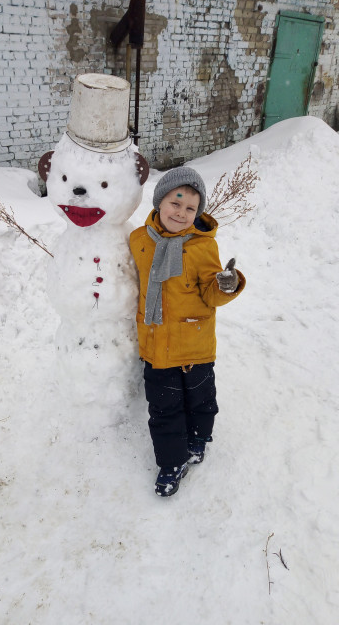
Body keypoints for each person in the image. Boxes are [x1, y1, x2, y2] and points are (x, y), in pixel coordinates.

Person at [129, 167, 246, 497]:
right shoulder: (139, 240)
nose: (181, 213)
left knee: (201, 400)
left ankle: (198, 438)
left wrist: (227, 285)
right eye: (175, 203)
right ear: (159, 201)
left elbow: (211, 292)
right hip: (155, 345)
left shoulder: (203, 247)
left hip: (194, 344)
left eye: (190, 208)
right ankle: (170, 462)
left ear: (199, 213)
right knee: (163, 408)